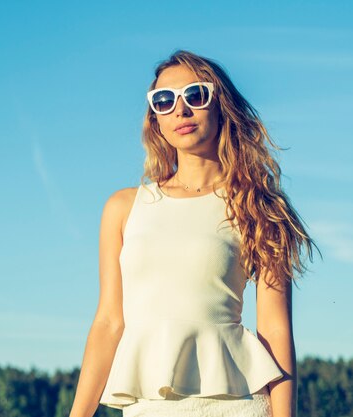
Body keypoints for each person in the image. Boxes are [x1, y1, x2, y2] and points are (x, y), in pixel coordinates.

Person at [68, 50, 322, 417]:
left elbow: (275, 330)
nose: (180, 110)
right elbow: (109, 322)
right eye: (164, 100)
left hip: (238, 406)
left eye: (196, 95)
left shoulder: (258, 206)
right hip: (149, 407)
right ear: (155, 119)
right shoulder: (123, 208)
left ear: (222, 107)